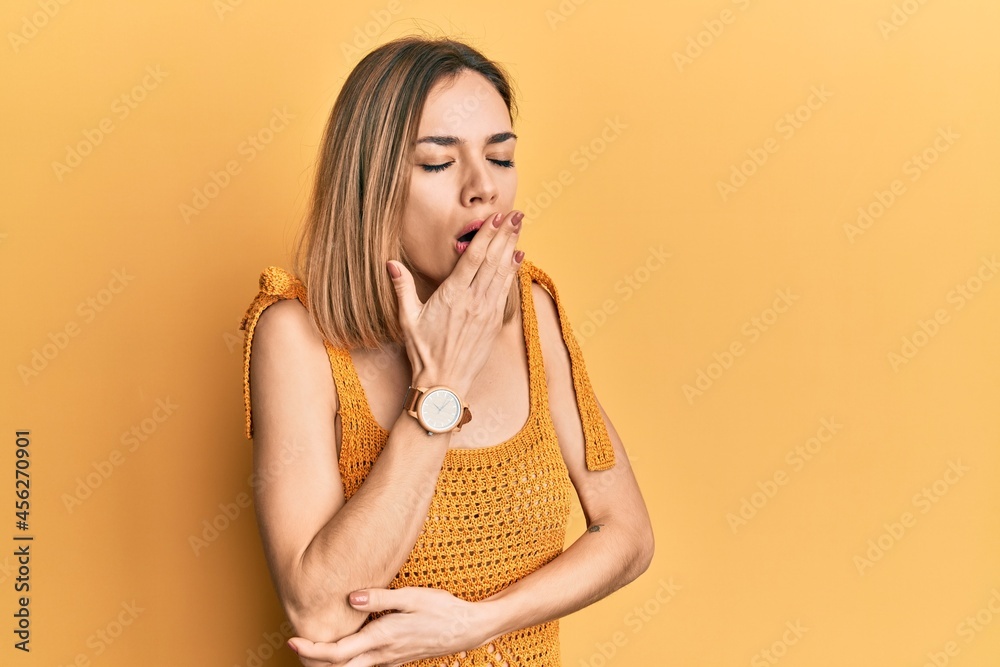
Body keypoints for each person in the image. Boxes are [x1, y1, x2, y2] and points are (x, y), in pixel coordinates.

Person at [239, 35, 654, 667]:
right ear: (371, 185)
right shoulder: (295, 336)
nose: (483, 188)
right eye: (438, 163)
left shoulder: (533, 311)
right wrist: (441, 386)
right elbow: (319, 614)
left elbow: (627, 536)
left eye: (502, 156)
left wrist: (478, 624)